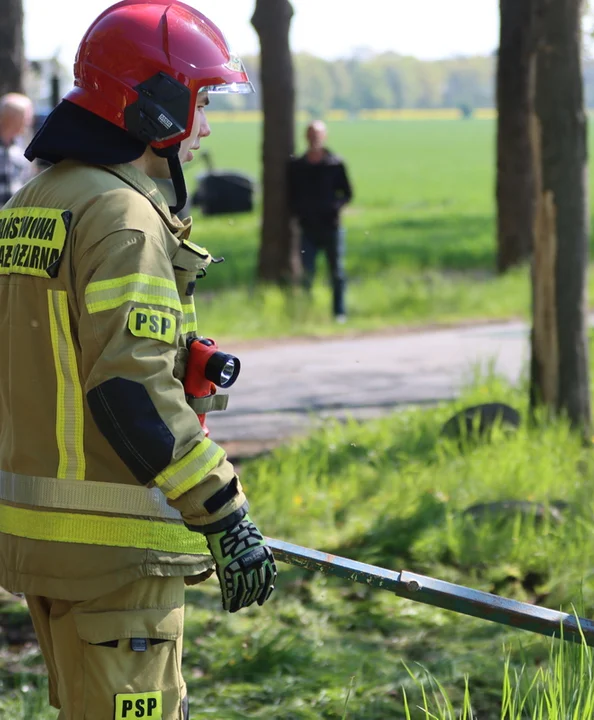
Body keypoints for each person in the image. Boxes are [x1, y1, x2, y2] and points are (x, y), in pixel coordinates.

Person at [0, 2, 277, 718]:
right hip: (117, 551)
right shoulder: (124, 217)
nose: (206, 127)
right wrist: (222, 510)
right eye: (200, 102)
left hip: (45, 540)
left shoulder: (37, 199)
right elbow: (130, 388)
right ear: (155, 109)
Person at [288, 119, 353, 322]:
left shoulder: (335, 163)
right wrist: (298, 212)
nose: (314, 139)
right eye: (311, 135)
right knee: (308, 274)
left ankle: (339, 313)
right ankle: (308, 314)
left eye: (318, 135)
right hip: (307, 228)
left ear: (324, 137)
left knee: (337, 273)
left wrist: (335, 207)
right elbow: (291, 195)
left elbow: (347, 193)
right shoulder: (298, 166)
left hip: (331, 227)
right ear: (306, 137)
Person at [0, 91, 35, 205]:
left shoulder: (22, 150)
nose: (29, 122)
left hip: (12, 218)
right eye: (27, 116)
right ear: (12, 118)